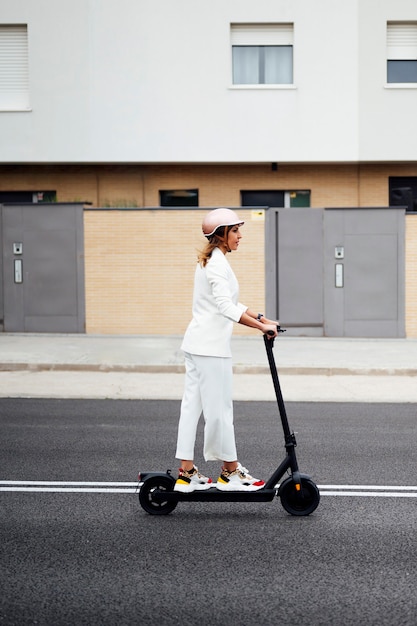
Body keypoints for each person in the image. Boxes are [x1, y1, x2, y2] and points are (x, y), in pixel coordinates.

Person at [174, 207, 279, 493]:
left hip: (197, 344)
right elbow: (225, 307)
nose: (240, 236)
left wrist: (261, 318)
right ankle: (230, 472)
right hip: (211, 348)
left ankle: (186, 472)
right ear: (221, 235)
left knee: (191, 408)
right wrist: (260, 328)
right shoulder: (218, 264)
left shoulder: (211, 260)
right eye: (235, 231)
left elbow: (230, 301)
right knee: (220, 409)